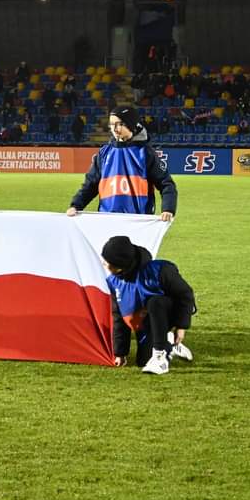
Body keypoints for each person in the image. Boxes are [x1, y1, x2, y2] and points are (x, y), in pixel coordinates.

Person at [101, 235, 196, 375]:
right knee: (143, 361)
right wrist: (120, 353)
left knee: (155, 301)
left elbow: (185, 294)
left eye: (108, 262)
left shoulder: (160, 270)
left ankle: (160, 358)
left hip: (168, 316)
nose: (104, 263)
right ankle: (169, 343)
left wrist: (181, 326)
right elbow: (118, 316)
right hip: (145, 325)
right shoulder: (113, 282)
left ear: (121, 265)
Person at [66, 107, 177, 219]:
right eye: (111, 124)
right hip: (107, 220)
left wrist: (168, 209)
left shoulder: (146, 153)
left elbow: (166, 184)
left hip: (138, 221)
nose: (114, 129)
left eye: (119, 124)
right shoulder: (104, 153)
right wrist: (75, 205)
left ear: (131, 124)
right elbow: (90, 186)